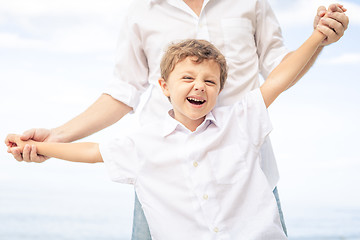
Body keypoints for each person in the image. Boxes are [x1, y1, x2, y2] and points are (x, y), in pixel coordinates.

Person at [6, 0, 349, 239]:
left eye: (209, 81)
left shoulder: (251, 6)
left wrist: (320, 37)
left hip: (246, 175)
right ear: (164, 86)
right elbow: (114, 110)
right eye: (187, 79)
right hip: (162, 177)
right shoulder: (142, 12)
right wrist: (53, 141)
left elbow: (279, 74)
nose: (199, 86)